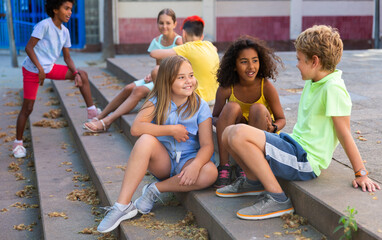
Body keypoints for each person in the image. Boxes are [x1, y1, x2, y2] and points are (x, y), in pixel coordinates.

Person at [216, 25, 380, 220]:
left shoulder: (333, 88)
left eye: (299, 59)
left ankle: (278, 199)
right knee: (228, 133)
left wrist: (361, 172)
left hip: (305, 160)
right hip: (293, 146)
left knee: (237, 133)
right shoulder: (314, 82)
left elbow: (344, 133)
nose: (296, 64)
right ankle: (252, 182)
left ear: (315, 61)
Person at [97, 55, 217, 233]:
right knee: (145, 140)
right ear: (167, 82)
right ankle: (122, 206)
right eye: (181, 77)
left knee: (210, 172)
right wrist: (171, 130)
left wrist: (197, 165)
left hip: (188, 161)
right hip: (164, 161)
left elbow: (207, 145)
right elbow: (136, 128)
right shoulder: (157, 101)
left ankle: (154, 190)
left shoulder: (200, 106)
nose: (189, 81)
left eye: (191, 75)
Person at [12, 0, 100, 158]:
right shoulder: (44, 25)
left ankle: (92, 112)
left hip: (49, 68)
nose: (69, 13)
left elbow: (67, 57)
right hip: (33, 69)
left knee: (83, 74)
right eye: (66, 8)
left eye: (71, 10)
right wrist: (39, 69)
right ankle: (18, 144)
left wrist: (75, 74)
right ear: (55, 10)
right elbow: (28, 47)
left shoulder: (65, 31)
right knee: (28, 108)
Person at [84, 8, 182, 132]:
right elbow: (158, 65)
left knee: (138, 90)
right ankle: (100, 116)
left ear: (174, 24)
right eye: (161, 23)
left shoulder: (179, 42)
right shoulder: (156, 42)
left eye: (168, 23)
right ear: (157, 23)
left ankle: (107, 122)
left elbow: (181, 68)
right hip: (158, 77)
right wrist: (151, 75)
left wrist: (156, 73)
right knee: (128, 88)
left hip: (170, 81)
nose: (164, 26)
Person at [212, 36, 286, 188]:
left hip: (259, 133)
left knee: (258, 109)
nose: (251, 66)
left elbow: (281, 119)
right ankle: (224, 167)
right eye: (244, 62)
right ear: (234, 65)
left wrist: (274, 127)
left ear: (261, 62)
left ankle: (247, 165)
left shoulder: (265, 86)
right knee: (231, 107)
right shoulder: (226, 88)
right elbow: (215, 117)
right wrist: (224, 122)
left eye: (255, 60)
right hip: (236, 132)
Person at [150, 15, 219, 104]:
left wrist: (179, 46)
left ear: (184, 34)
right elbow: (215, 49)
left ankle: (163, 102)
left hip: (198, 99)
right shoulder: (209, 45)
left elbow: (153, 53)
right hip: (215, 97)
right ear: (202, 36)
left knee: (156, 70)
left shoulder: (186, 48)